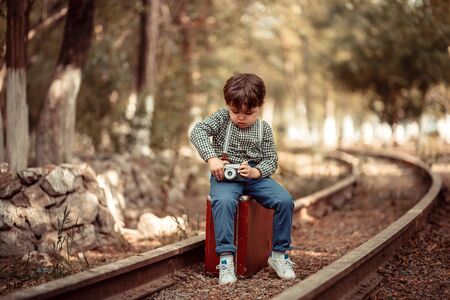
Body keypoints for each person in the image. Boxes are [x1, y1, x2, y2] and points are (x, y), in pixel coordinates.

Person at [190, 72, 296, 285]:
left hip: (255, 177)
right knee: (223, 202)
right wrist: (212, 158)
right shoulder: (221, 118)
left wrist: (257, 172)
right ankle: (227, 261)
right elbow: (197, 132)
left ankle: (278, 255)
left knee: (285, 201)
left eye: (249, 113)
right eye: (235, 111)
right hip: (225, 176)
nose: (241, 117)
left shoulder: (263, 129)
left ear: (260, 105)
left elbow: (271, 159)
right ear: (227, 104)